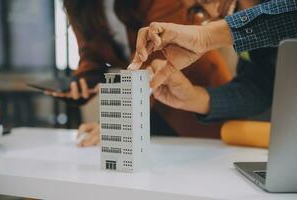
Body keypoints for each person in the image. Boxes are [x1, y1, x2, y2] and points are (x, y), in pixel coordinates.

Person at [51, 0, 236, 147]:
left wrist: (116, 120)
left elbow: (151, 54)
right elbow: (90, 51)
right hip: (147, 101)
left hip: (194, 90)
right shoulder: (79, 5)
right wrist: (84, 78)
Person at [126, 0, 295, 124]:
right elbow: (259, 88)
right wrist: (193, 98)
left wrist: (206, 36)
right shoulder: (245, 37)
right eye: (198, 9)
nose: (210, 7)